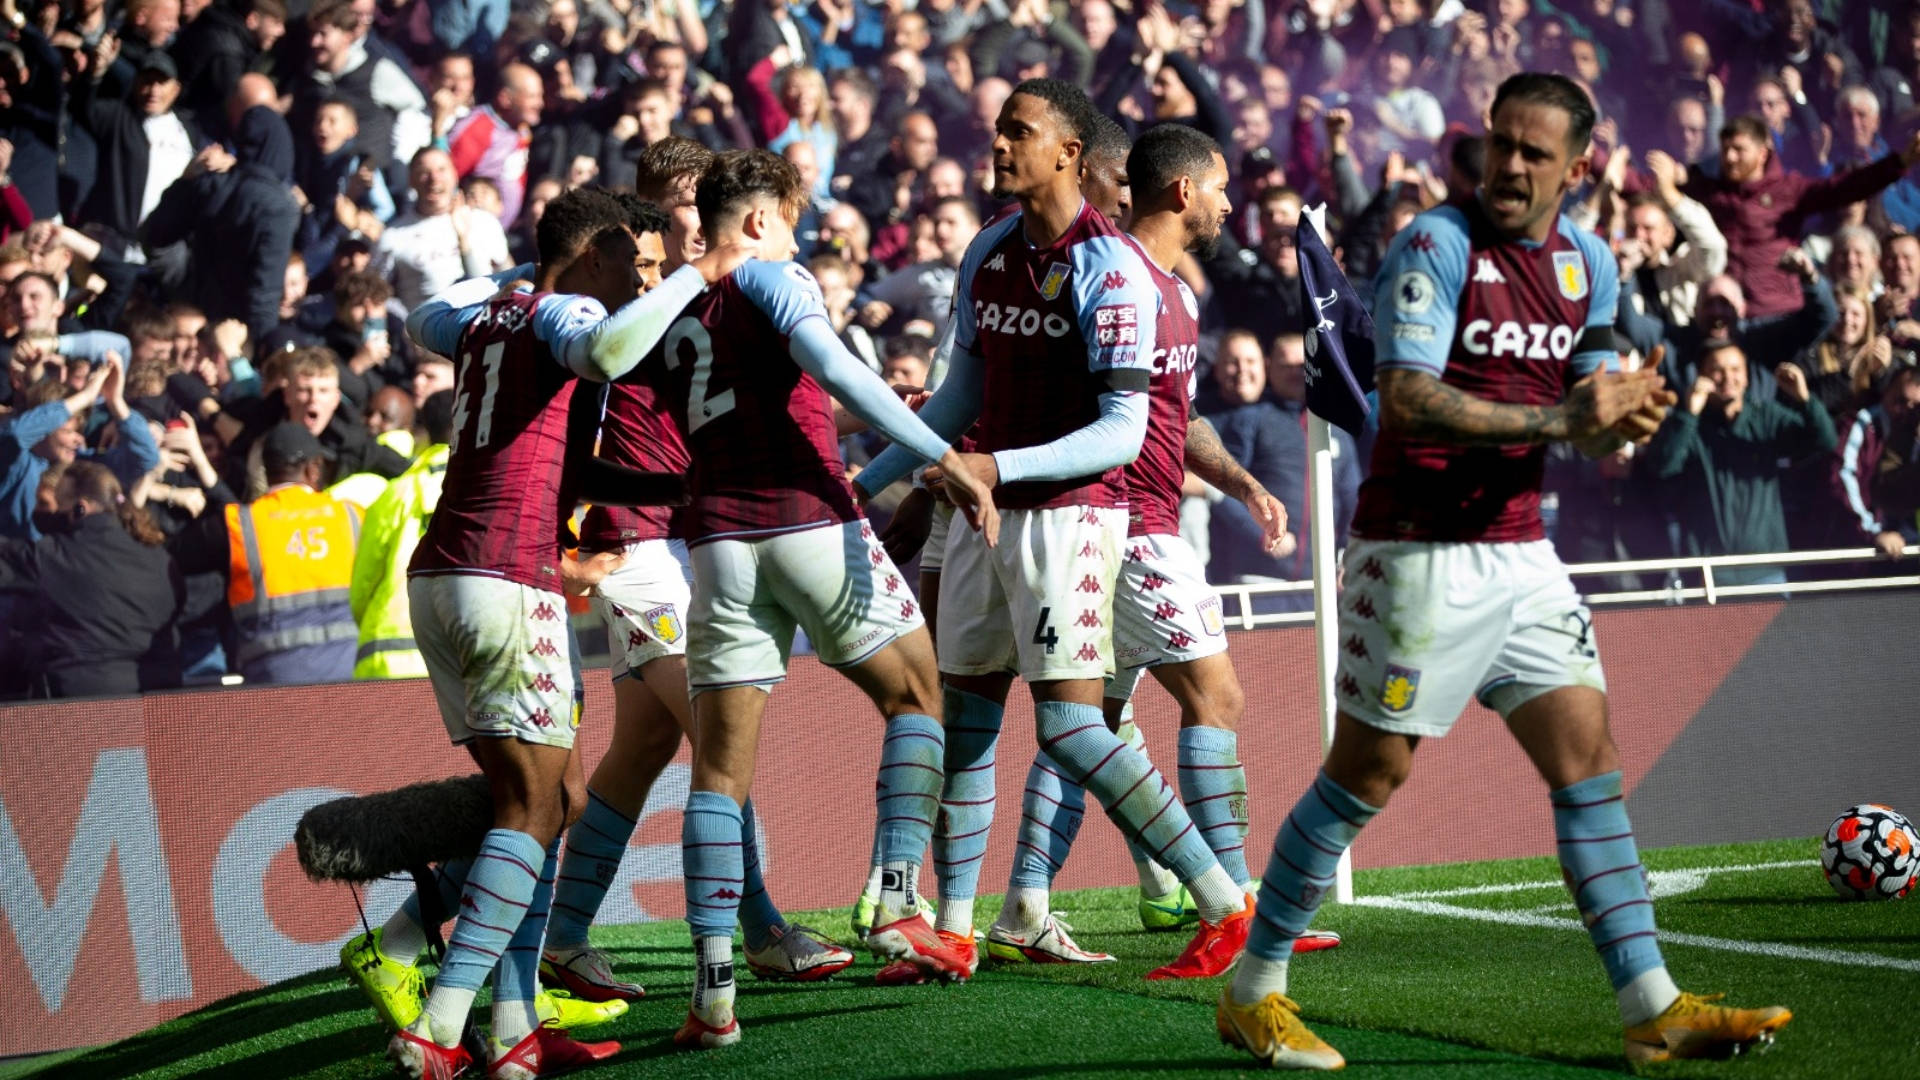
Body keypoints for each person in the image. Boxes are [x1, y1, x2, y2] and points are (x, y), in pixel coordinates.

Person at [1217, 73, 1790, 1069]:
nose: (1510, 168)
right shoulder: (1438, 245)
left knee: (1590, 760)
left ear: (1578, 167)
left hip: (1522, 552)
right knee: (1369, 773)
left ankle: (1651, 1005)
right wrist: (1560, 423)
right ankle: (1254, 988)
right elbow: (1403, 399)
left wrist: (1624, 423)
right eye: (1501, 146)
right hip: (1417, 551)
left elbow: (1588, 399)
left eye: (1534, 154)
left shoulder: (1591, 265)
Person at [854, 78, 1252, 984]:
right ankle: (952, 930)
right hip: (986, 520)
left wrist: (1000, 466)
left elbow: (1124, 427)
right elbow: (962, 393)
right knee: (967, 722)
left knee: (1072, 730)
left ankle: (1225, 905)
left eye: (1020, 132)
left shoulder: (1112, 269)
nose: (999, 146)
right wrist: (867, 480)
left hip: (1075, 520)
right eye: (998, 131)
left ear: (1071, 154)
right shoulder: (990, 250)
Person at [377, 187, 750, 1078]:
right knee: (534, 807)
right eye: (633, 261)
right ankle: (438, 1023)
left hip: (446, 575)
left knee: (556, 800)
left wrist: (676, 493)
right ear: (595, 255)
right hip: (505, 578)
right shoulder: (571, 311)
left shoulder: (487, 320)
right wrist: (702, 271)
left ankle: (512, 1032)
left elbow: (427, 315)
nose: (641, 278)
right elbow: (606, 343)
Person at [658, 149, 996, 1050]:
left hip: (718, 549)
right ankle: (893, 897)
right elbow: (835, 367)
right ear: (762, 219)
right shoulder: (775, 273)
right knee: (919, 695)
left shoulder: (673, 303)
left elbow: (764, 396)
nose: (800, 237)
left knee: (718, 778)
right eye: (795, 219)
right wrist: (945, 452)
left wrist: (868, 414)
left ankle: (714, 996)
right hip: (809, 523)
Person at [983, 123, 1324, 963]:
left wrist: (1243, 484)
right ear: (1181, 191)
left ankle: (1025, 902)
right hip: (1124, 530)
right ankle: (1237, 900)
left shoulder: (1179, 290)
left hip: (1144, 521)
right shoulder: (1115, 274)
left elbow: (1179, 416)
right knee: (1216, 700)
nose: (1229, 201)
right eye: (1219, 187)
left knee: (1082, 722)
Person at [542, 191, 854, 1004]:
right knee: (720, 742)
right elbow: (573, 451)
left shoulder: (674, 324)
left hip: (663, 547)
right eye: (660, 247)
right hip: (634, 556)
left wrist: (854, 428)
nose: (664, 269)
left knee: (643, 748)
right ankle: (759, 930)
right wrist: (562, 546)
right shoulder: (613, 331)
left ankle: (565, 937)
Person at [164, 422, 362, 684]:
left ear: (267, 472)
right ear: (313, 468)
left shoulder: (240, 525)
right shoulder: (353, 516)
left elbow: (171, 555)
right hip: (350, 674)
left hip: (274, 682)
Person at [1645, 343, 1837, 586]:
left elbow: (1825, 441)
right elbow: (1663, 465)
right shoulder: (1688, 424)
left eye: (1736, 369)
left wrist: (1804, 400)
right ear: (1701, 376)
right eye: (1717, 370)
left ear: (1747, 376)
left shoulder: (1766, 417)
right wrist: (1688, 413)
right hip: (1706, 577)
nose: (1728, 378)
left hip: (1765, 574)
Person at [0, 460, 182, 697]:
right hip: (153, 706)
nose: (46, 514)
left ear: (80, 509)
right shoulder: (161, 559)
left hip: (78, 708)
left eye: (57, 505)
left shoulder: (54, 558)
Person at [347, 390, 452, 680]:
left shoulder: (396, 494)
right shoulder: (491, 489)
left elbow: (362, 586)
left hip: (390, 654)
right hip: (465, 653)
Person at [373, 148, 513, 311]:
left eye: (442, 169)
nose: (434, 178)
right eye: (424, 172)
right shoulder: (393, 235)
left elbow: (512, 279)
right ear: (411, 180)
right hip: (425, 331)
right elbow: (376, 295)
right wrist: (404, 323)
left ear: (455, 174)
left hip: (484, 327)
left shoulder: (483, 221)